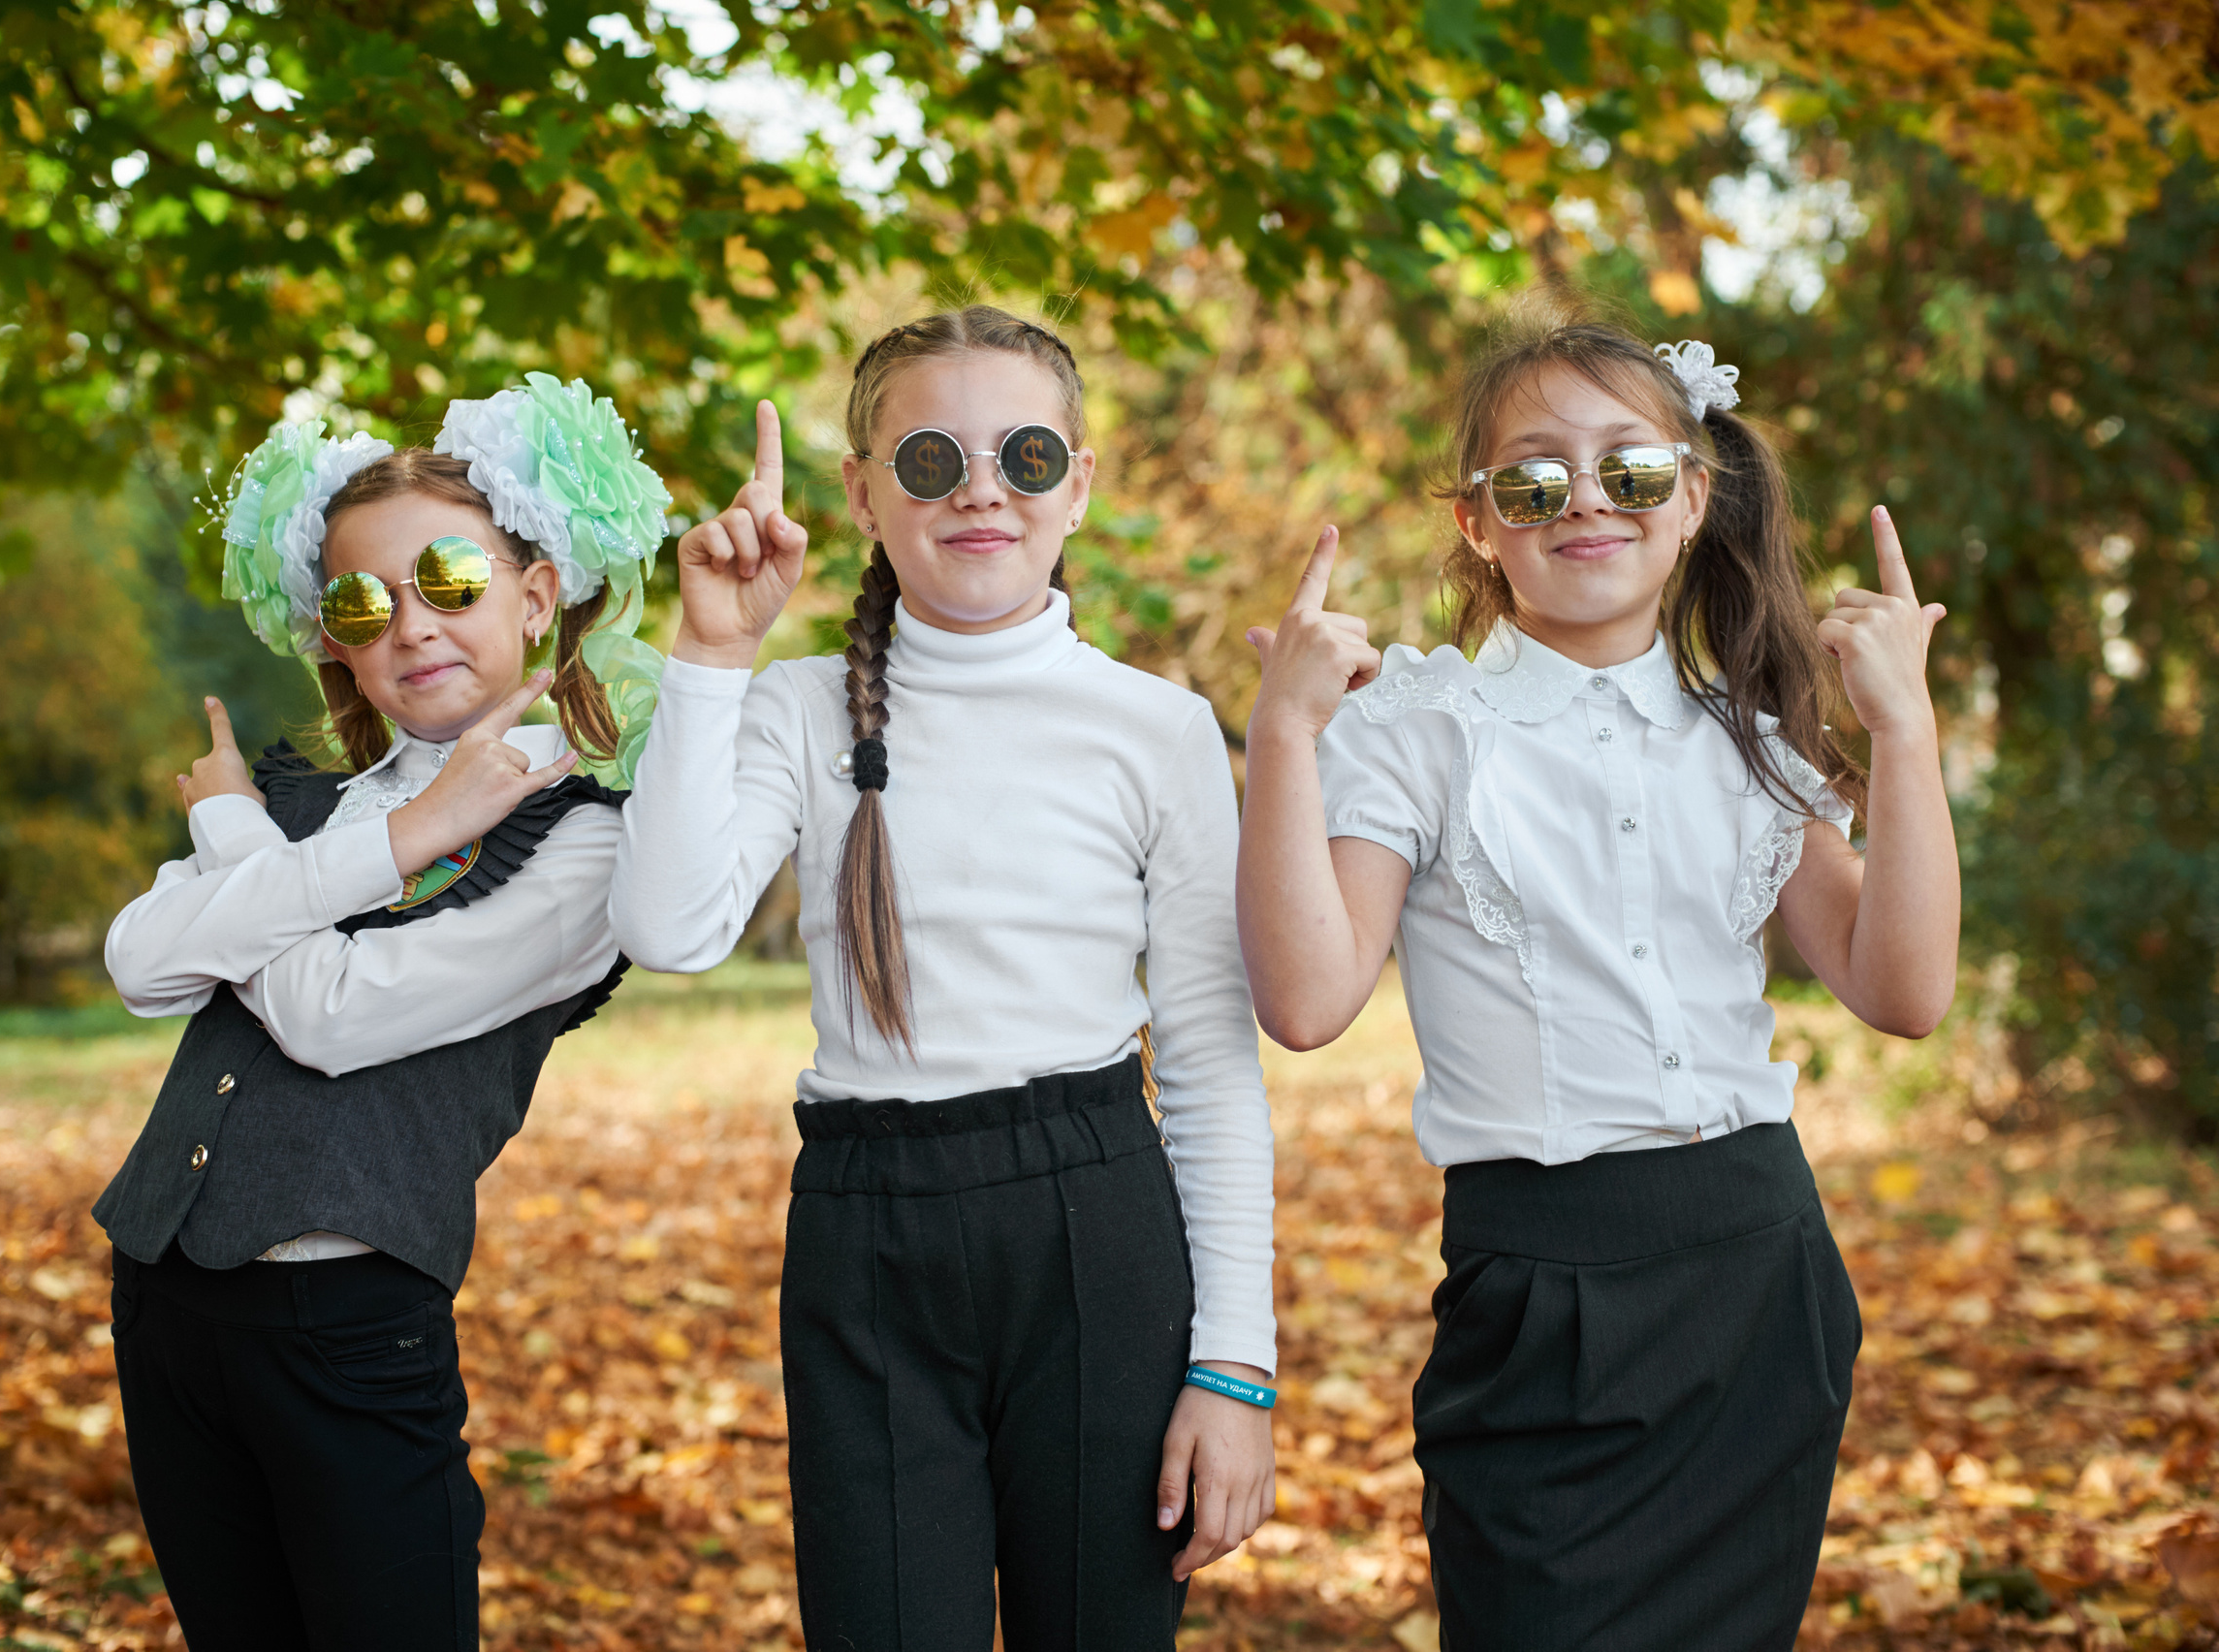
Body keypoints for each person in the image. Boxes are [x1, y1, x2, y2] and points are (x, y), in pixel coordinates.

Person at [1236, 301, 1960, 1650]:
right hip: (1540, 1286)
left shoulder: (1747, 741)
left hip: (1762, 1276)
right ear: (1478, 521)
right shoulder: (1416, 730)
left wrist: (1903, 733)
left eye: (1629, 472)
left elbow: (1903, 989)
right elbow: (1305, 1001)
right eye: (1535, 479)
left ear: (1692, 500)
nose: (1586, 503)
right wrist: (1283, 738)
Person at [610, 306, 1278, 1652]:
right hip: (867, 1231)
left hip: (1093, 1220)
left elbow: (1207, 1060)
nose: (981, 486)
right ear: (860, 493)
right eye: (929, 459)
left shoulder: (1155, 727)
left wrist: (1235, 1365)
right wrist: (712, 654)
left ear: (1078, 483)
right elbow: (671, 928)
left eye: (1026, 454)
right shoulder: (797, 707)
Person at [93, 376, 672, 1651]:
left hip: (343, 1325)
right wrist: (387, 837)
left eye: (452, 580)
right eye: (366, 602)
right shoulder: (315, 781)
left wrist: (235, 835)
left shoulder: (584, 844)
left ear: (536, 593)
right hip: (165, 1294)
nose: (412, 626)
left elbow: (331, 1016)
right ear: (333, 638)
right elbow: (138, 963)